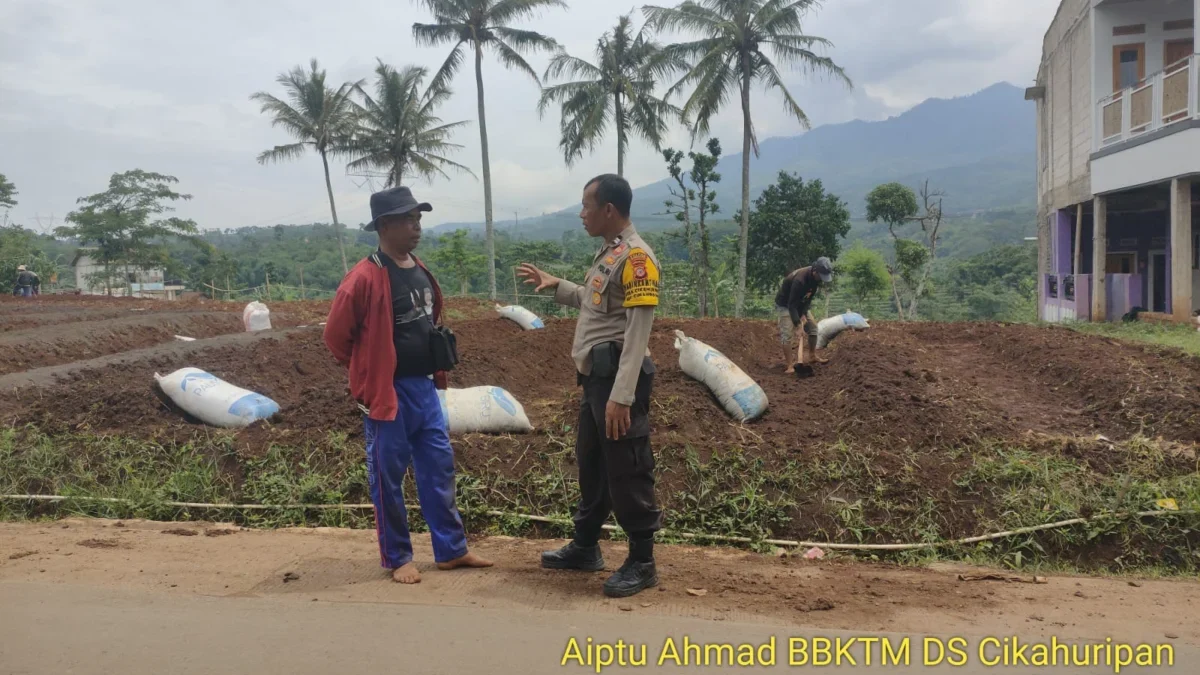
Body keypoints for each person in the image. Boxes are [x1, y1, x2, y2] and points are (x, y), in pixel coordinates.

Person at [323, 186, 492, 584]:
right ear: (384, 225)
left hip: (423, 389)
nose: (417, 226)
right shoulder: (362, 278)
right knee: (388, 476)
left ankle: (451, 550)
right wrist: (367, 371)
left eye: (418, 218)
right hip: (387, 393)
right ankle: (398, 557)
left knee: (438, 467)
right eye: (408, 219)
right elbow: (335, 337)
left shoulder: (418, 268)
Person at [517, 174, 662, 598]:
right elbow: (596, 301)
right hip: (596, 379)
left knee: (627, 466)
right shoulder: (611, 254)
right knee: (593, 461)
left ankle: (642, 560)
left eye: (586, 205)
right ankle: (585, 547)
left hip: (617, 380)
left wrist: (622, 396)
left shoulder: (637, 259)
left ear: (609, 211)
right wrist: (557, 285)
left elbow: (638, 331)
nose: (581, 213)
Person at [775, 257, 833, 373]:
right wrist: (797, 325)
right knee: (787, 335)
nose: (821, 279)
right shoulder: (800, 280)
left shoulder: (815, 280)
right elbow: (791, 305)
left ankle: (812, 356)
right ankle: (790, 366)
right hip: (786, 305)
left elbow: (808, 299)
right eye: (820, 276)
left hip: (799, 304)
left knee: (813, 328)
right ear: (815, 271)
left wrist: (803, 314)